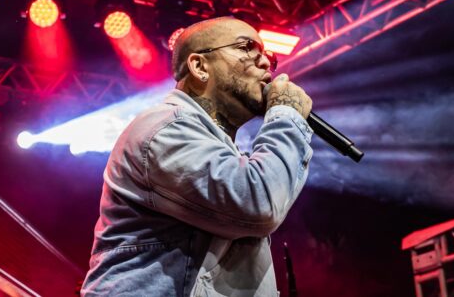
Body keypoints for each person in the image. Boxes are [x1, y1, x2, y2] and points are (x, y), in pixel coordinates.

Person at [81, 17, 314, 296]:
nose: (265, 62)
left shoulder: (220, 148)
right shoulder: (165, 128)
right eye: (245, 48)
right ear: (200, 67)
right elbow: (258, 202)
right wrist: (286, 117)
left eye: (267, 56)